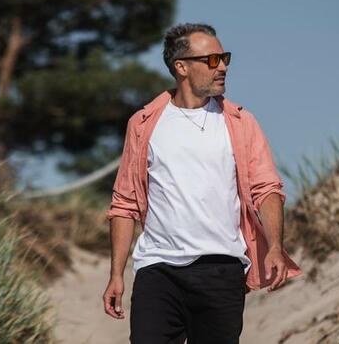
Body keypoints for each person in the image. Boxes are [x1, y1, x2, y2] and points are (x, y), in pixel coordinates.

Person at [102, 23, 302, 343]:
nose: (222, 67)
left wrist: (276, 247)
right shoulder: (143, 124)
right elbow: (124, 204)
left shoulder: (240, 122)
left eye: (224, 58)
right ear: (181, 67)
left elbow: (267, 189)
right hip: (158, 269)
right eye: (212, 60)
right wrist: (116, 275)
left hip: (221, 269)